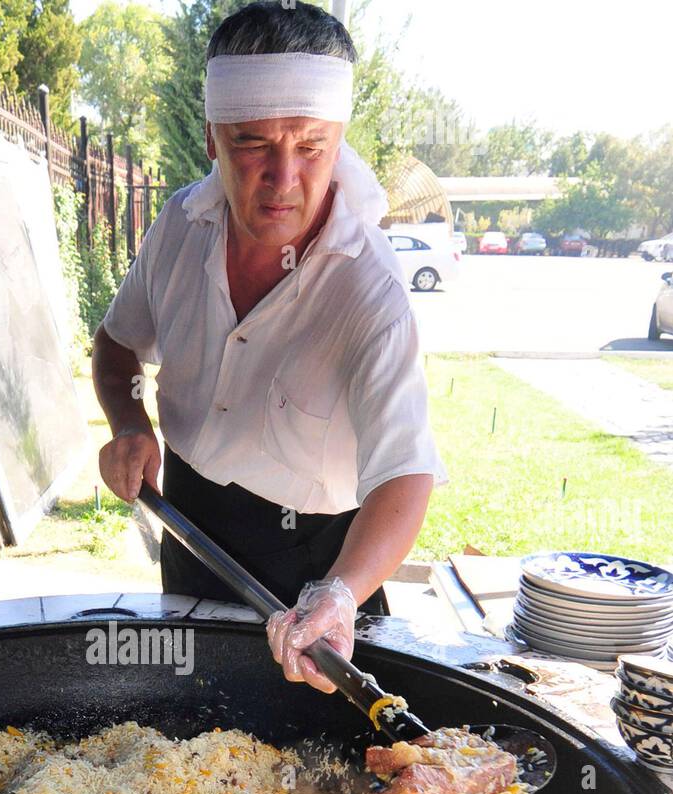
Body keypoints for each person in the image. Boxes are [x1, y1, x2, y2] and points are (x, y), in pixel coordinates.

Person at [92, 1, 447, 693]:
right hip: (189, 521)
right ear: (211, 139)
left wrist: (340, 595)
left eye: (310, 146)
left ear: (339, 138)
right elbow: (116, 342)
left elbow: (405, 473)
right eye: (252, 143)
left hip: (314, 558)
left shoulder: (366, 288)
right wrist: (129, 423)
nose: (283, 179)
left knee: (315, 766)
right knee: (186, 731)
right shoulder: (179, 225)